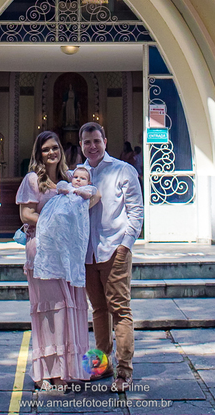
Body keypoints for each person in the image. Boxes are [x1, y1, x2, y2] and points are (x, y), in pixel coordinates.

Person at [16, 131, 93, 390]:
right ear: (38, 153)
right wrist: (53, 224)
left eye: (55, 148)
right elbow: (26, 214)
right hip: (43, 252)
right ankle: (49, 373)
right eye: (46, 149)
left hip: (67, 253)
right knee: (51, 310)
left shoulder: (70, 178)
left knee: (70, 308)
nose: (52, 153)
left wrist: (73, 220)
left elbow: (93, 197)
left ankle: (69, 370)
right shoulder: (33, 180)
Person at [79, 121, 144, 391]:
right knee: (98, 310)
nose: (92, 146)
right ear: (81, 144)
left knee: (120, 310)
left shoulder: (123, 170)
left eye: (96, 141)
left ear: (105, 141)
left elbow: (136, 212)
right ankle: (101, 366)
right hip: (88, 254)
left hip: (114, 249)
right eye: (87, 142)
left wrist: (125, 245)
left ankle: (124, 371)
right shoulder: (77, 174)